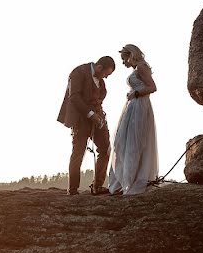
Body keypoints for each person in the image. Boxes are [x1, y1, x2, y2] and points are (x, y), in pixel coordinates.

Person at [57, 56, 116, 195]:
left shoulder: (100, 80)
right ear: (99, 67)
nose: (106, 78)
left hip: (98, 119)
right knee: (78, 151)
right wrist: (90, 114)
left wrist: (98, 115)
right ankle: (72, 189)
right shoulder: (77, 72)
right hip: (80, 120)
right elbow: (74, 97)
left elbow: (101, 96)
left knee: (105, 149)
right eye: (106, 74)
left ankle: (97, 186)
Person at [107, 44, 158, 196]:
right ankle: (124, 181)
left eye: (124, 59)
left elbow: (153, 87)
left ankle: (131, 181)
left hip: (139, 107)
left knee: (133, 142)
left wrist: (135, 94)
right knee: (124, 141)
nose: (123, 63)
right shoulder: (137, 68)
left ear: (131, 55)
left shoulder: (142, 67)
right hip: (134, 106)